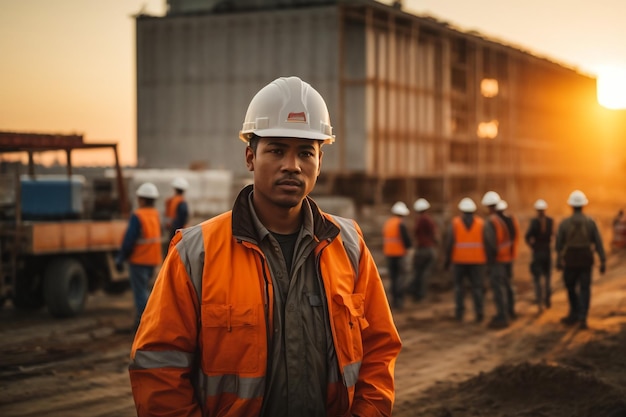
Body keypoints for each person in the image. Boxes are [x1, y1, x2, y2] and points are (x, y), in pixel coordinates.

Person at [129, 76, 402, 417]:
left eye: (306, 152)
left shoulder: (349, 245)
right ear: (250, 157)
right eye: (276, 150)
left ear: (320, 161)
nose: (292, 165)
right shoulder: (195, 253)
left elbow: (379, 350)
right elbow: (159, 366)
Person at [555, 190, 606, 329]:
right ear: (583, 205)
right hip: (586, 259)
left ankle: (574, 313)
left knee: (570, 287)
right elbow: (598, 242)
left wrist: (558, 261)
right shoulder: (591, 222)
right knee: (585, 288)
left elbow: (558, 244)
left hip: (570, 259)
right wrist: (603, 261)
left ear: (571, 206)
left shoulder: (564, 223)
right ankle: (582, 317)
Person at [115, 182, 162, 329]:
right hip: (152, 259)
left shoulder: (138, 216)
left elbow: (129, 239)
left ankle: (145, 323)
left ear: (141, 199)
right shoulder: (155, 214)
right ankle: (147, 319)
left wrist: (120, 258)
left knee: (140, 293)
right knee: (145, 291)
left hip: (139, 259)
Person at [444, 197, 491, 323]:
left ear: (461, 210)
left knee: (459, 288)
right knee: (477, 287)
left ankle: (459, 313)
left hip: (459, 261)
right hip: (478, 261)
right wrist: (489, 262)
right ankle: (479, 313)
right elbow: (487, 242)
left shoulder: (455, 223)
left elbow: (449, 243)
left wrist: (447, 261)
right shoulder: (482, 223)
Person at [481, 190, 514, 328]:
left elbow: (490, 244)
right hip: (506, 259)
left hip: (497, 261)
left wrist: (489, 262)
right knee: (506, 287)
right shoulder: (504, 219)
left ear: (488, 206)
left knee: (498, 289)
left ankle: (502, 317)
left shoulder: (491, 222)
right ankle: (508, 312)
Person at [524, 198, 554, 313]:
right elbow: (553, 235)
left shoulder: (534, 222)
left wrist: (533, 246)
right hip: (547, 251)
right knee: (547, 278)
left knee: (537, 279)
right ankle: (547, 300)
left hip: (537, 253)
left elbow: (527, 237)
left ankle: (540, 301)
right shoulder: (550, 221)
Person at [383, 201, 412, 310]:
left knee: (393, 278)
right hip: (399, 254)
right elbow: (406, 240)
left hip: (389, 254)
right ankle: (399, 301)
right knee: (401, 278)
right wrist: (409, 247)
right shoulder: (400, 223)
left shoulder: (388, 223)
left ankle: (393, 300)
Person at [408, 198, 438, 301]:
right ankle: (419, 294)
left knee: (419, 273)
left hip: (422, 250)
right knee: (424, 273)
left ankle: (417, 294)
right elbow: (434, 233)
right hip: (428, 249)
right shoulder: (428, 219)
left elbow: (415, 233)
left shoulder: (419, 220)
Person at [495, 199, 519, 319]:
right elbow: (516, 237)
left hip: (500, 258)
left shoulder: (496, 221)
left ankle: (503, 314)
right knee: (509, 284)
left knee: (500, 286)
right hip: (510, 257)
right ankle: (511, 310)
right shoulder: (511, 220)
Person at [164, 176, 190, 249]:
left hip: (171, 228)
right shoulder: (182, 202)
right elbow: (183, 217)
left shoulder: (171, 201)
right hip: (178, 230)